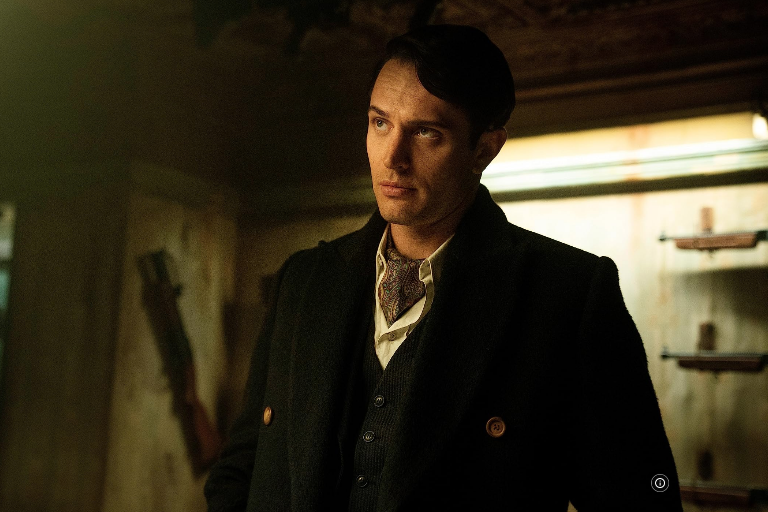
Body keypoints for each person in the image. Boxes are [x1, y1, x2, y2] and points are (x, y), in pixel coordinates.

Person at [205, 24, 683, 511]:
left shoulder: (567, 296)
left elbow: (646, 495)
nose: (393, 158)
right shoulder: (305, 281)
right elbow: (241, 469)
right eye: (380, 123)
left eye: (426, 132)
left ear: (484, 149)